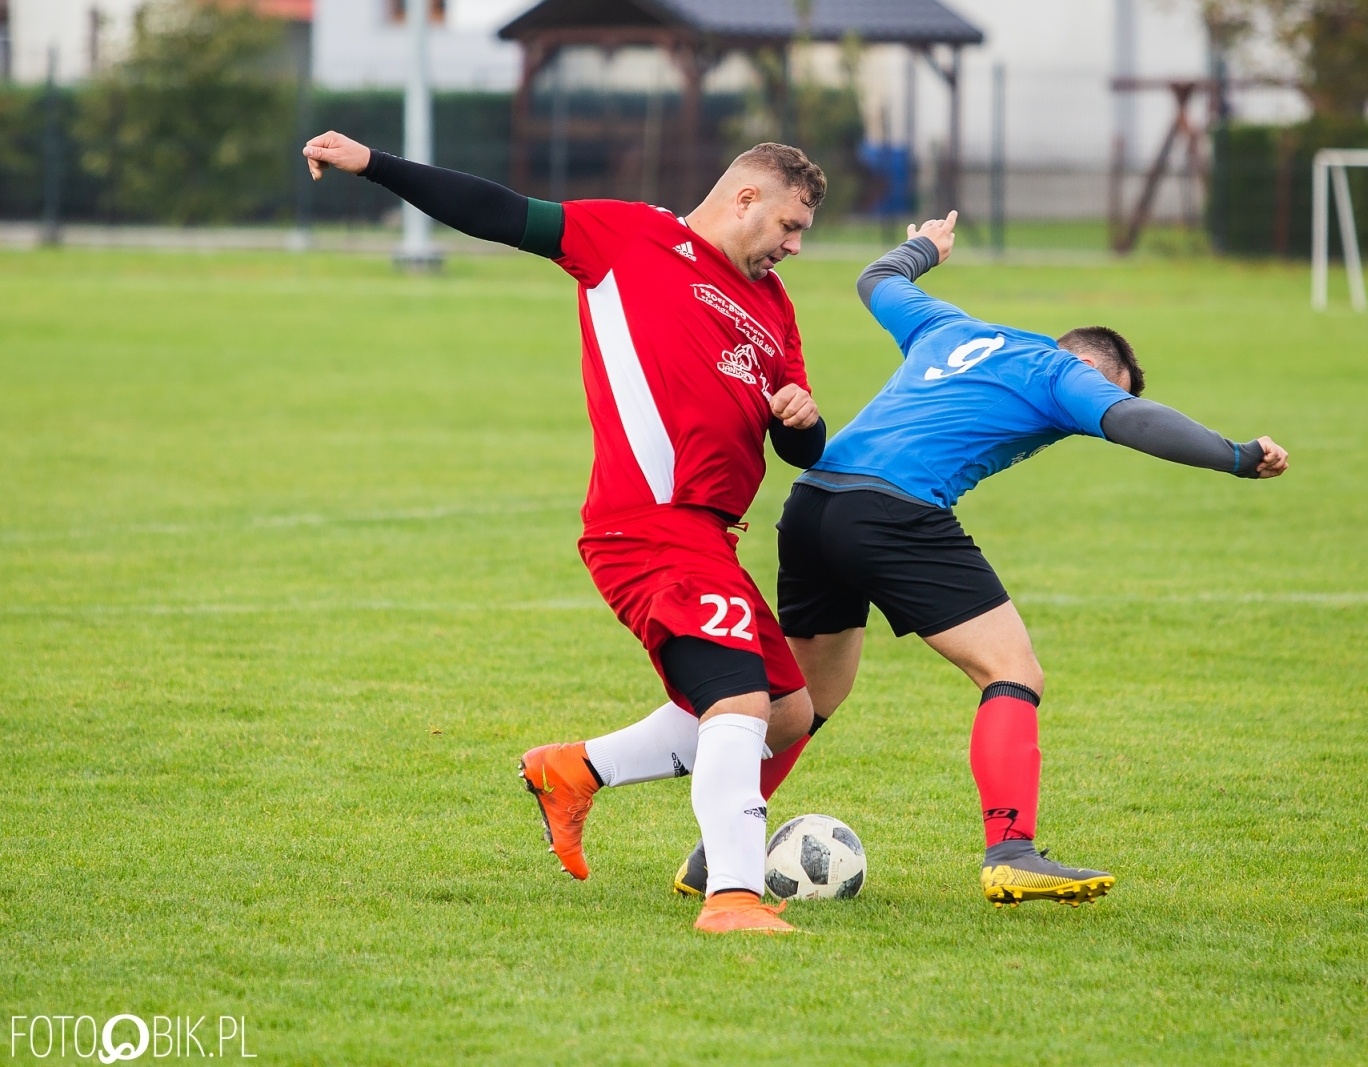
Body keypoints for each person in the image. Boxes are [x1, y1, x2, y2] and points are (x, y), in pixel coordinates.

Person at [668, 211, 1290, 907]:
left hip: (812, 504)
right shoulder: (1063, 372)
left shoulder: (951, 328)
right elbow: (1134, 421)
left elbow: (876, 279)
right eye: (1105, 388)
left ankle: (718, 853)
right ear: (1092, 366)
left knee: (812, 699)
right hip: (890, 510)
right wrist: (1236, 457)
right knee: (1011, 668)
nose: (1098, 404)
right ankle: (1012, 849)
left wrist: (924, 247)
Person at [301, 132, 836, 934]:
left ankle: (574, 769)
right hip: (648, 524)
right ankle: (732, 896)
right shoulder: (630, 237)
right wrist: (376, 165)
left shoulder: (774, 307)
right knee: (736, 697)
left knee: (788, 713)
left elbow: (801, 443)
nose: (794, 246)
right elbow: (496, 211)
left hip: (710, 537)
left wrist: (803, 417)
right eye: (790, 226)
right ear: (747, 198)